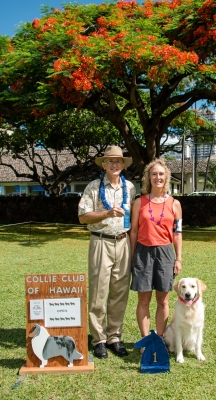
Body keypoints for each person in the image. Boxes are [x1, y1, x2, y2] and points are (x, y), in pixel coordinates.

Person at [78, 145, 136, 359]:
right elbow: (83, 217)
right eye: (110, 161)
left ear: (123, 165)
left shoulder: (130, 188)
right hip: (101, 242)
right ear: (103, 164)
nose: (114, 164)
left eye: (118, 161)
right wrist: (107, 213)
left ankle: (114, 337)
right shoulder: (93, 187)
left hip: (123, 242)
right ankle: (99, 339)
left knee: (120, 291)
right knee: (98, 292)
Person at [129, 158, 182, 344]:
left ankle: (159, 339)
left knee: (163, 300)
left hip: (166, 254)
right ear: (148, 177)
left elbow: (177, 233)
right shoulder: (139, 202)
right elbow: (133, 231)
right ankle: (145, 341)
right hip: (143, 253)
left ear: (166, 177)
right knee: (143, 300)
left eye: (161, 174)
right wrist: (132, 256)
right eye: (154, 174)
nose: (157, 177)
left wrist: (178, 258)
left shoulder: (175, 204)